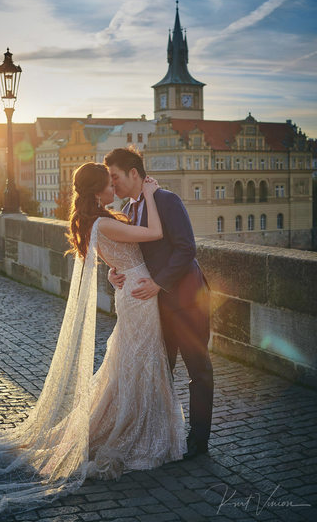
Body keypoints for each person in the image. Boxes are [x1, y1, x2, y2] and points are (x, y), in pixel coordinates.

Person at [0, 162, 185, 521]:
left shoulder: (95, 222)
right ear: (95, 192)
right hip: (139, 294)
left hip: (131, 291)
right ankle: (133, 431)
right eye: (108, 185)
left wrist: (111, 268)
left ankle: (131, 421)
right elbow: (153, 233)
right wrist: (151, 194)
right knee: (138, 362)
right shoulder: (104, 222)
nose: (113, 190)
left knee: (131, 362)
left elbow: (109, 254)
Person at [104, 147, 213, 460]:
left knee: (199, 371)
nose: (113, 187)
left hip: (188, 300)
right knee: (161, 372)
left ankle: (198, 443)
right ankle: (163, 436)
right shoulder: (130, 207)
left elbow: (186, 248)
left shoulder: (166, 199)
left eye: (116, 178)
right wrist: (115, 273)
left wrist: (158, 282)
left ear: (134, 173)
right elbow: (134, 254)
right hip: (157, 307)